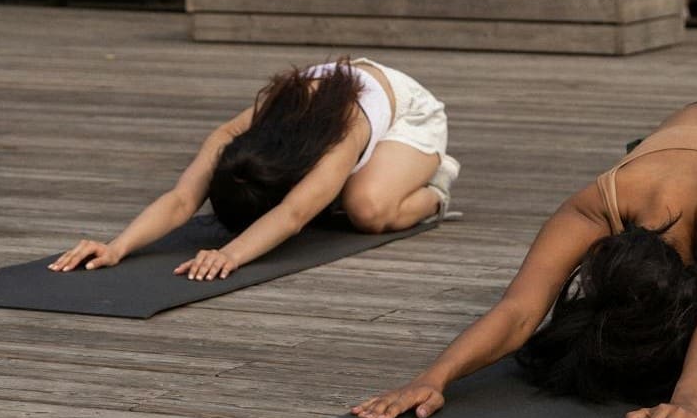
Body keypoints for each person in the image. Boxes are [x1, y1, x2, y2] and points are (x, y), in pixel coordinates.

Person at [353, 90, 697, 418]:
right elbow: (519, 309)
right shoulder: (596, 204)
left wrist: (688, 402)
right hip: (683, 141)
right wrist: (432, 378)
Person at [49, 57, 460, 280]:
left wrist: (229, 254)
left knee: (367, 209)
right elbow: (181, 199)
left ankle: (435, 186)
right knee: (334, 197)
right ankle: (344, 187)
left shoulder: (341, 136)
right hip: (332, 125)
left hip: (409, 113)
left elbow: (294, 214)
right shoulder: (240, 129)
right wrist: (117, 246)